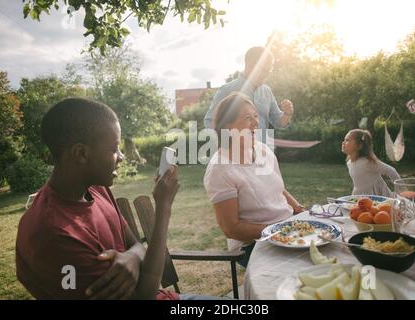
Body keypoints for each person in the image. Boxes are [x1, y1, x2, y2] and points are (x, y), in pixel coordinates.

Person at [15, 97, 184, 300]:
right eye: (114, 149)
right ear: (81, 153)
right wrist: (164, 206)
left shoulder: (96, 189)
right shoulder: (56, 235)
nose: (121, 157)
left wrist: (131, 257)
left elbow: (136, 246)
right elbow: (145, 295)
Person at [203, 92, 304, 267]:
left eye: (256, 116)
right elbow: (231, 228)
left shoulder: (263, 150)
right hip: (253, 245)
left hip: (287, 229)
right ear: (227, 126)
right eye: (248, 118)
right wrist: (278, 231)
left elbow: (278, 189)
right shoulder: (220, 169)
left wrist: (299, 209)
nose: (256, 123)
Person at [204, 46, 294, 137]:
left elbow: (278, 122)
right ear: (249, 65)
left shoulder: (267, 91)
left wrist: (287, 113)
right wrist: (229, 144)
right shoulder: (226, 90)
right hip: (235, 150)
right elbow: (209, 122)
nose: (266, 75)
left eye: (269, 71)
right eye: (263, 70)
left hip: (262, 149)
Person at [341, 129, 401, 197]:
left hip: (380, 198)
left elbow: (391, 170)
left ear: (359, 146)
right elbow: (358, 184)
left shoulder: (367, 162)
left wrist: (400, 190)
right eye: (344, 140)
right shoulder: (349, 163)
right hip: (362, 197)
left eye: (347, 140)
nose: (343, 142)